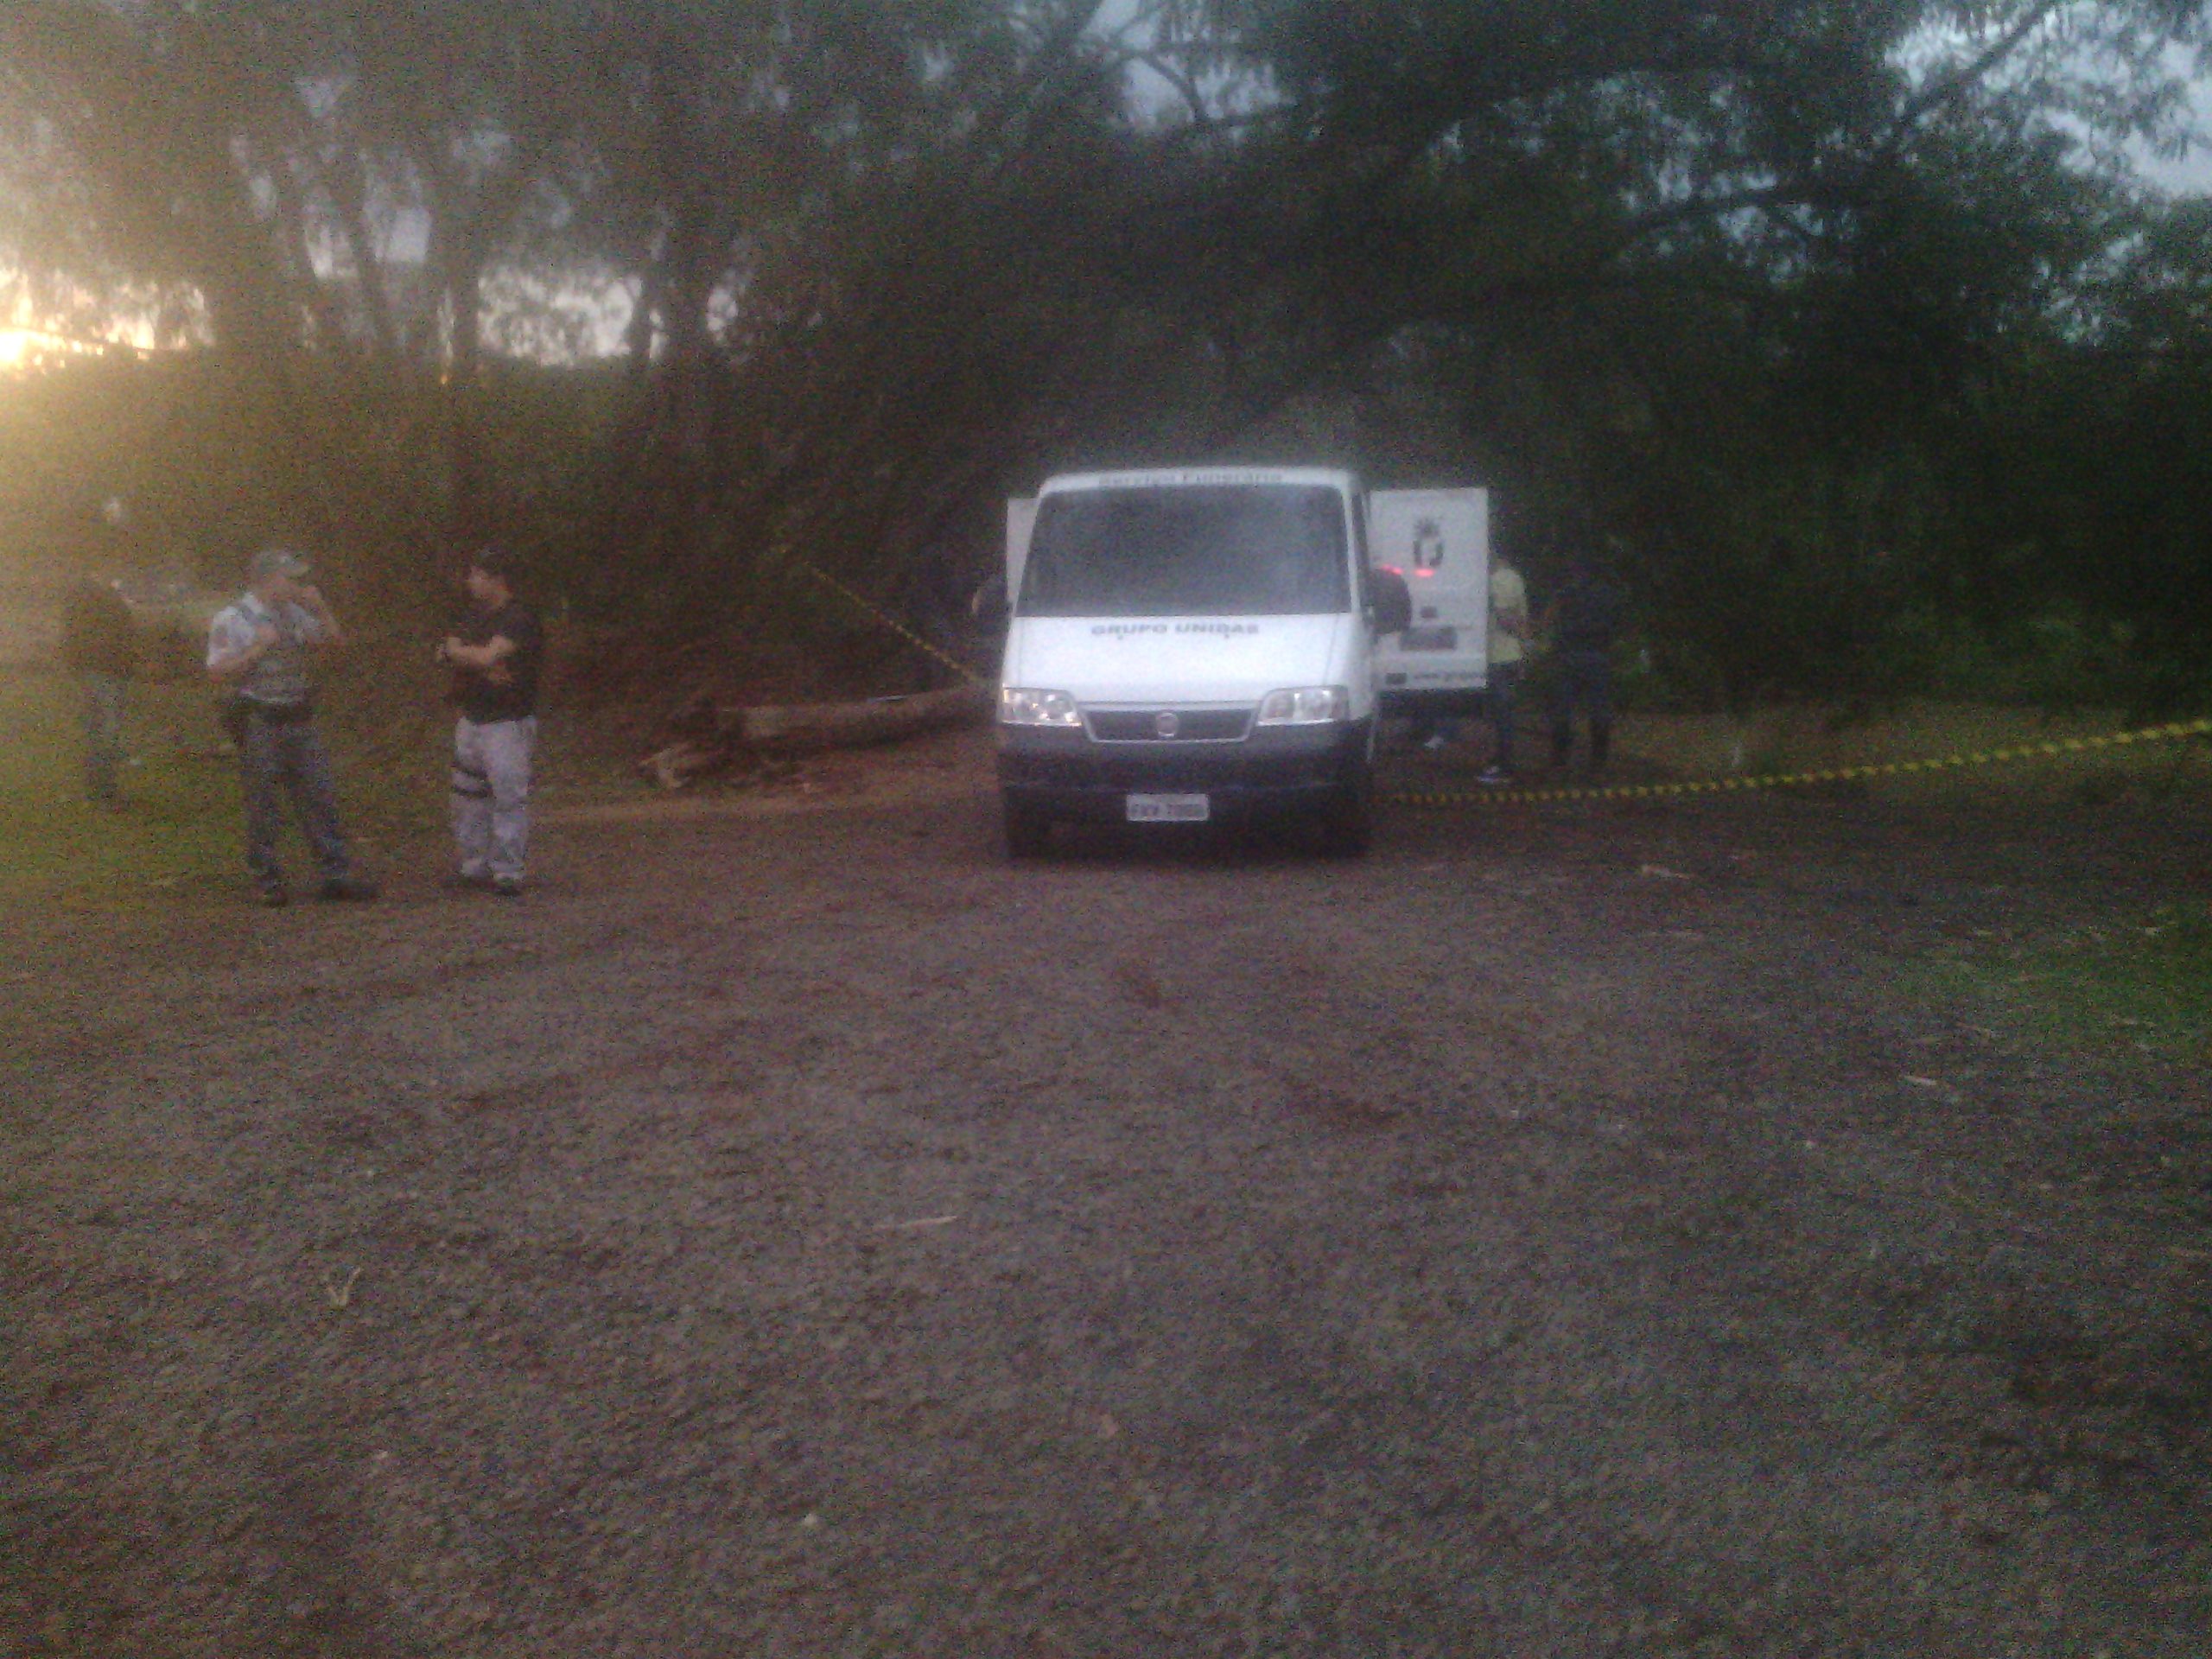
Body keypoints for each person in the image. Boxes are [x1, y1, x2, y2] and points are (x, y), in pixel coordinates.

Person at [205, 547, 378, 906]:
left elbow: (336, 647)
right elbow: (216, 672)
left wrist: (322, 611)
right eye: (290, 578)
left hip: (299, 715)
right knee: (263, 804)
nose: (298, 584)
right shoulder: (233, 618)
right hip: (259, 720)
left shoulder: (296, 613)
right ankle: (267, 880)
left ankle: (335, 875)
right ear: (269, 580)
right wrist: (257, 649)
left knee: (319, 797)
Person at [436, 545, 543, 897]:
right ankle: (474, 866)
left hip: (507, 722)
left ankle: (508, 871)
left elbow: (484, 656)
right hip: (473, 717)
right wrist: (467, 656)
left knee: (507, 794)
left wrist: (465, 656)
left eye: (477, 575)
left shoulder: (519, 618)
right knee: (467, 795)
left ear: (497, 579)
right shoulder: (474, 615)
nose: (471, 581)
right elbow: (447, 649)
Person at [60, 575, 137, 810]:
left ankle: (100, 789)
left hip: (100, 671)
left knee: (100, 729)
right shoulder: (104, 603)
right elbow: (122, 635)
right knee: (105, 730)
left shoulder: (87, 603)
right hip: (104, 672)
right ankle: (102, 792)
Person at [1547, 551, 1628, 770]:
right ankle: (1599, 759)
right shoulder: (1608, 594)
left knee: (1562, 710)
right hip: (1598, 655)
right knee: (1599, 710)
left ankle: (1559, 758)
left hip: (1570, 656)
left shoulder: (1566, 594)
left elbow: (1553, 621)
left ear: (1576, 571)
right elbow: (1618, 624)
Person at [1478, 549, 1529, 783]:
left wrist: (1517, 634)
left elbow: (1505, 615)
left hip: (1500, 655)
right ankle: (1500, 761)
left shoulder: (1500, 580)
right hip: (1511, 654)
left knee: (1502, 716)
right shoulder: (1515, 578)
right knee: (1503, 714)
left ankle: (1505, 768)